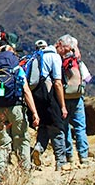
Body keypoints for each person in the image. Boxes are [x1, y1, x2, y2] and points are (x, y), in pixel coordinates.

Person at [0, 33, 39, 178]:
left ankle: (1, 173)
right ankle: (24, 173)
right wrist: (34, 113)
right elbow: (26, 90)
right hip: (16, 107)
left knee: (1, 143)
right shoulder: (16, 69)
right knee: (22, 139)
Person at [30, 30, 68, 171]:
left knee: (44, 125)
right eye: (66, 50)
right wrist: (63, 106)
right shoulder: (54, 57)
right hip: (49, 95)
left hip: (36, 96)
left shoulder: (36, 57)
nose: (66, 54)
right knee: (57, 128)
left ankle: (38, 148)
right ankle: (61, 162)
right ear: (59, 45)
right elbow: (57, 83)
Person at [57, 34, 90, 167]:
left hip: (64, 98)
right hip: (77, 97)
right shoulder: (77, 61)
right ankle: (84, 157)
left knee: (65, 128)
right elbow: (87, 78)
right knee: (80, 128)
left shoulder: (59, 61)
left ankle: (69, 156)